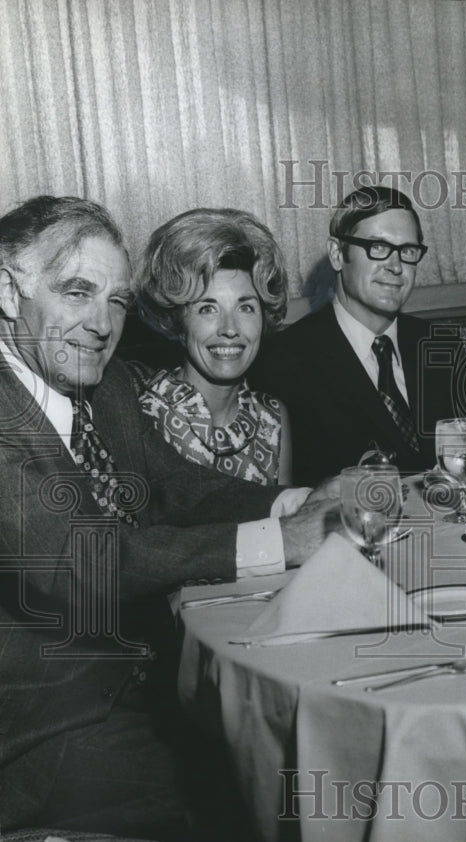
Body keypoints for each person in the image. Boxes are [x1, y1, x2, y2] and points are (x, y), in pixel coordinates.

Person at [0, 196, 340, 839]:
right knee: (263, 792)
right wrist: (277, 541)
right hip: (44, 734)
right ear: (7, 292)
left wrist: (296, 502)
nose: (101, 324)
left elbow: (176, 486)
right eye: (77, 292)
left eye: (116, 301)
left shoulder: (106, 386)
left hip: (141, 684)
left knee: (304, 748)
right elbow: (89, 563)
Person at [250, 185, 466, 482]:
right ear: (337, 254)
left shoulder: (442, 344)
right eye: (377, 247)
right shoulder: (283, 361)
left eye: (407, 251)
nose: (395, 266)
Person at [135, 208, 291, 484]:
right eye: (208, 308)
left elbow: (288, 513)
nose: (229, 329)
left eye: (245, 307)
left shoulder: (272, 418)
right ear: (177, 319)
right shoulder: (144, 418)